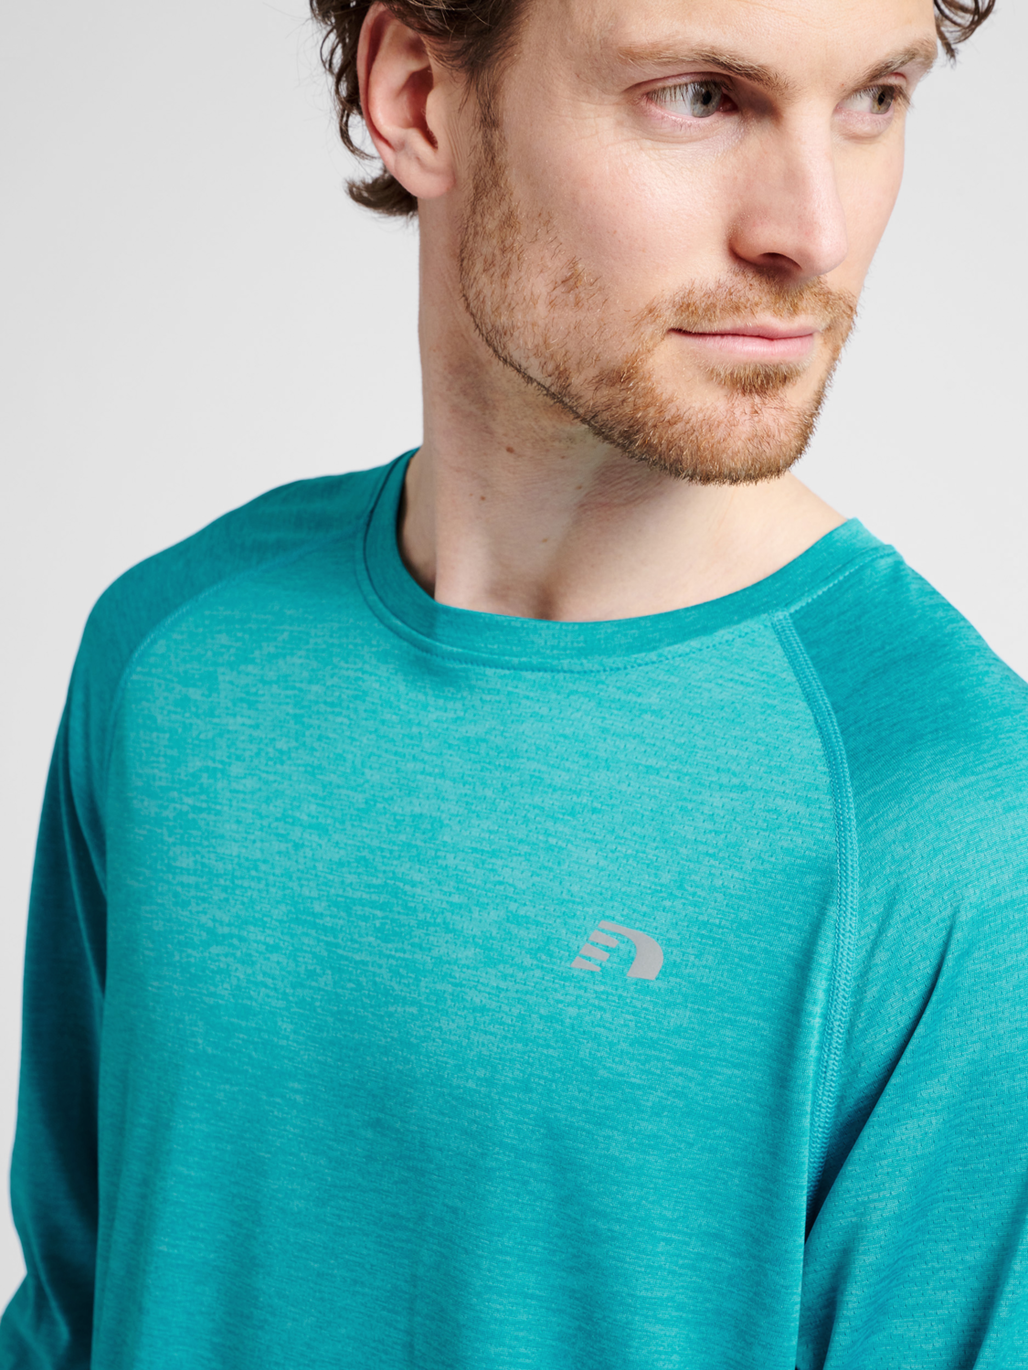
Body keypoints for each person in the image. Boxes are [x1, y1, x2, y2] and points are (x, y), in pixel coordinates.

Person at [1, 0, 1019, 1365]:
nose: (812, 231)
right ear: (419, 95)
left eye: (874, 100)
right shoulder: (174, 656)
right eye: (700, 96)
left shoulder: (952, 821)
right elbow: (70, 1318)